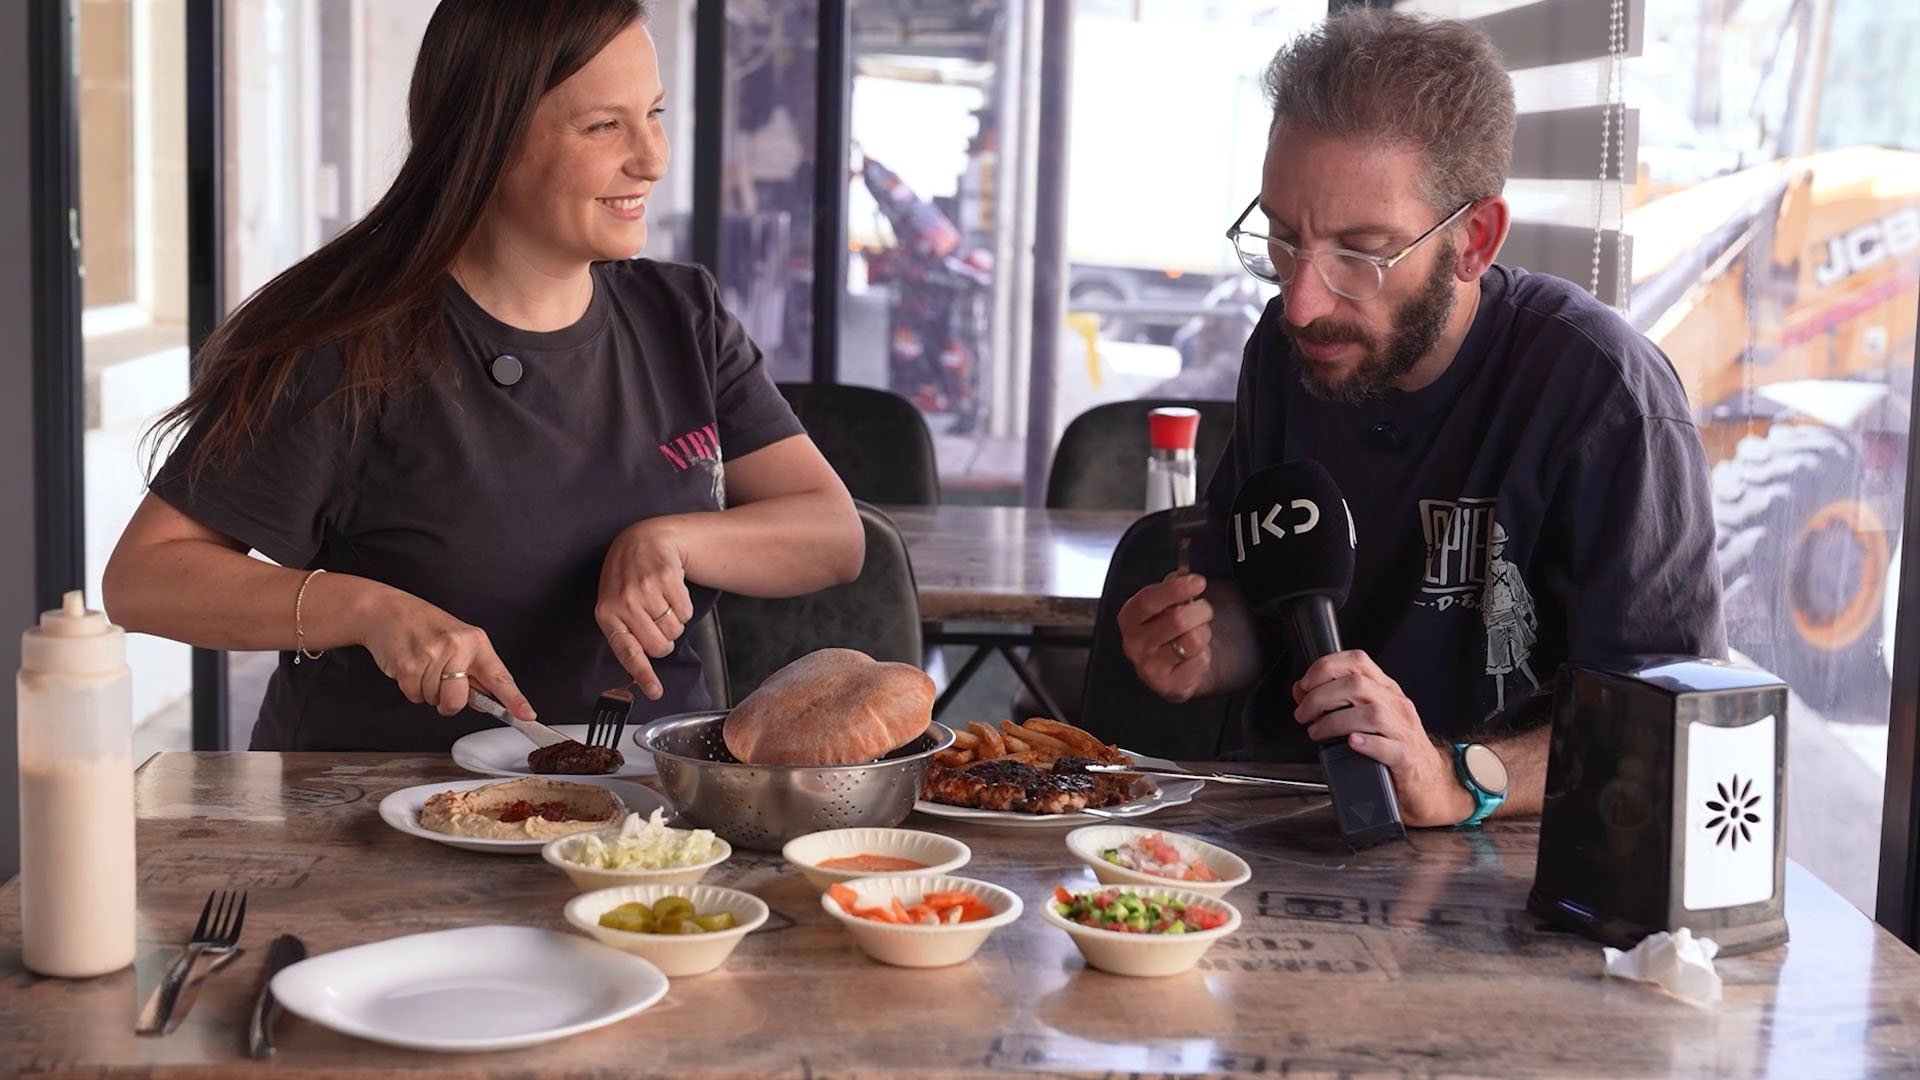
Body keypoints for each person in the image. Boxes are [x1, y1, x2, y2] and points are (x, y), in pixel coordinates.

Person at [102, 0, 864, 752]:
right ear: (488, 137)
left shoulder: (681, 315)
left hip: (642, 796)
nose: (652, 158)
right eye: (604, 125)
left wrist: (671, 540)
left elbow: (832, 533)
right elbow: (144, 579)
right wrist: (366, 610)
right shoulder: (349, 346)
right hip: (378, 802)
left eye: (654, 114)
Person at [1116, 10, 1725, 826]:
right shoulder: (1287, 351)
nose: (1301, 302)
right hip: (1281, 818)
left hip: (1504, 863)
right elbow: (1262, 607)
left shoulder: (1603, 395)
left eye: (1361, 254)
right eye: (1285, 239)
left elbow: (1665, 724)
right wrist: (1202, 644)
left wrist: (1456, 778)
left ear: (1474, 240)